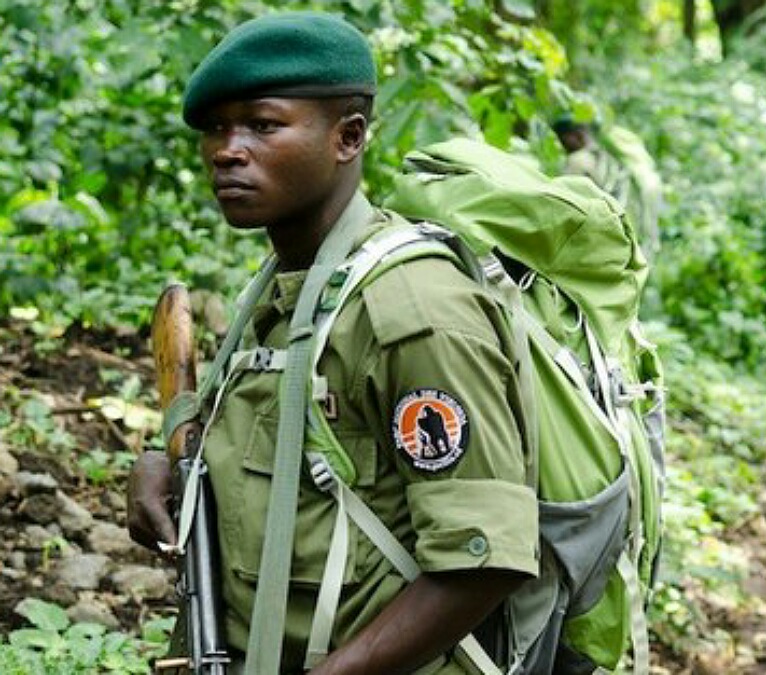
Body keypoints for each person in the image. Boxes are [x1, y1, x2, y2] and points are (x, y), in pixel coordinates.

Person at [126, 12, 539, 674]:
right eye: (216, 129)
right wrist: (164, 463)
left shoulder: (414, 310)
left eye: (263, 125)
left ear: (348, 138)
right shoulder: (283, 292)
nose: (227, 150)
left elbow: (484, 558)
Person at [552, 116, 662, 258]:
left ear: (574, 136)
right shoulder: (611, 160)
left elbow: (567, 205)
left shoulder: (578, 160)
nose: (561, 146)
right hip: (623, 237)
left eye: (562, 140)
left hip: (594, 241)